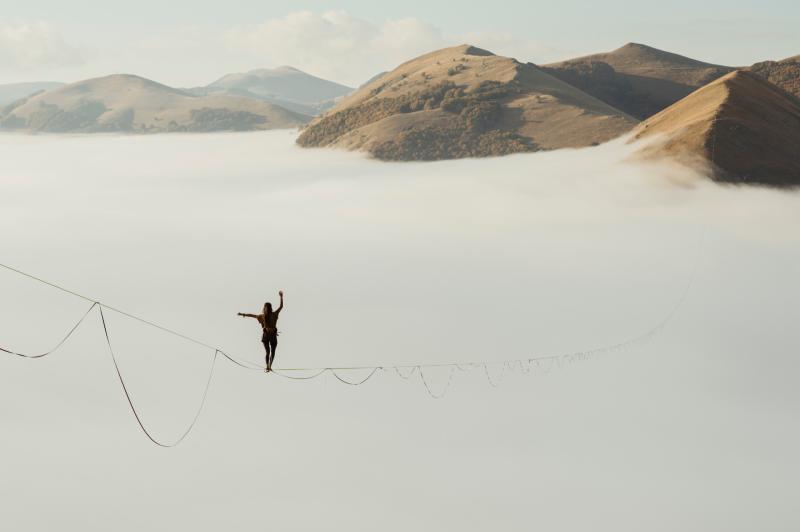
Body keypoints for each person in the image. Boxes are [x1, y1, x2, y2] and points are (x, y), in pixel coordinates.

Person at [238, 290, 284, 372]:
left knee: (273, 352)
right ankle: (267, 366)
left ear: (269, 308)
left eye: (266, 307)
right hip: (266, 335)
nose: (265, 309)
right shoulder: (262, 316)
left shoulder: (274, 314)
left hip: (273, 335)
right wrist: (243, 314)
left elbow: (281, 307)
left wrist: (281, 297)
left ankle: (270, 365)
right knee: (268, 352)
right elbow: (252, 315)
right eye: (265, 307)